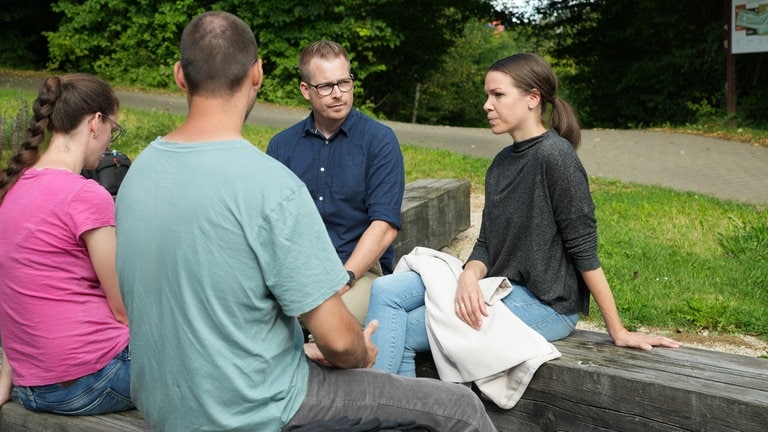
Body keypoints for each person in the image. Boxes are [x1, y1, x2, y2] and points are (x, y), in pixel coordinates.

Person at [115, 11, 496, 431]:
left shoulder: (138, 173)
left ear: (179, 76)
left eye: (344, 81)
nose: (338, 92)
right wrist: (360, 353)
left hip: (166, 404)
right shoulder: (270, 181)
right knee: (461, 408)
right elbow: (340, 342)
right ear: (258, 73)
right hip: (255, 405)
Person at [365, 53, 682, 377]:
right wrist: (468, 277)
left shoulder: (556, 157)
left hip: (549, 306)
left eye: (498, 95)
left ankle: (383, 414)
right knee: (385, 290)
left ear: (533, 98)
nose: (487, 105)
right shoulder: (500, 164)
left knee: (403, 330)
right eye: (487, 95)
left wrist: (618, 330)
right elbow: (486, 244)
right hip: (499, 286)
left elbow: (584, 251)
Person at [0, 73, 132, 414]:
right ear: (95, 122)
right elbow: (123, 309)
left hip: (33, 386)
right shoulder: (86, 195)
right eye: (112, 130)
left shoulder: (13, 188)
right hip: (92, 378)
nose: (109, 143)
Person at [267, 40, 405, 326]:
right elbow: (272, 225)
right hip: (297, 275)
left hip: (358, 272)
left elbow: (384, 227)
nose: (338, 94)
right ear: (306, 90)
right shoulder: (282, 146)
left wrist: (343, 280)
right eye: (326, 86)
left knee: (329, 328)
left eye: (344, 83)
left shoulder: (379, 141)